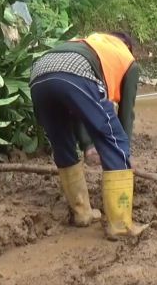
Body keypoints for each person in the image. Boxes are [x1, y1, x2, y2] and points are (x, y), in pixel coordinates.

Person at [29, 32, 146, 240]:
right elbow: (125, 113)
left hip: (39, 74)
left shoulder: (90, 43)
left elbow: (78, 108)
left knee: (62, 143)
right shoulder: (127, 60)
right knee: (115, 139)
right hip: (75, 74)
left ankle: (82, 213)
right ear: (128, 46)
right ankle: (120, 225)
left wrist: (87, 145)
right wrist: (123, 154)